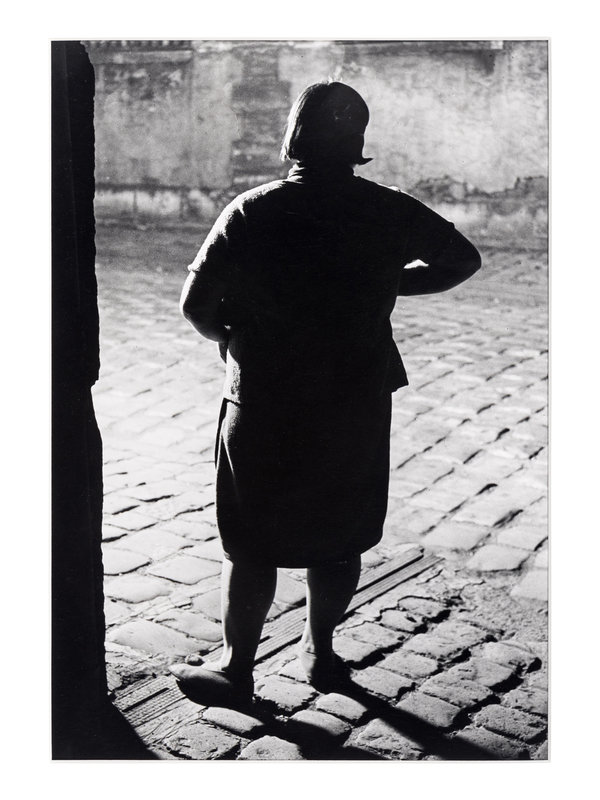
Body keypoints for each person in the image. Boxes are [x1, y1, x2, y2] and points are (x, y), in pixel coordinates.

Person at [170, 81, 481, 705]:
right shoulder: (392, 209)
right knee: (341, 534)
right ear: (357, 140)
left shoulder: (252, 210)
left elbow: (195, 304)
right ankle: (319, 653)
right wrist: (381, 284)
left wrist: (228, 339)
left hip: (264, 395)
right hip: (354, 397)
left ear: (293, 135)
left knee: (251, 538)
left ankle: (235, 668)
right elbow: (461, 261)